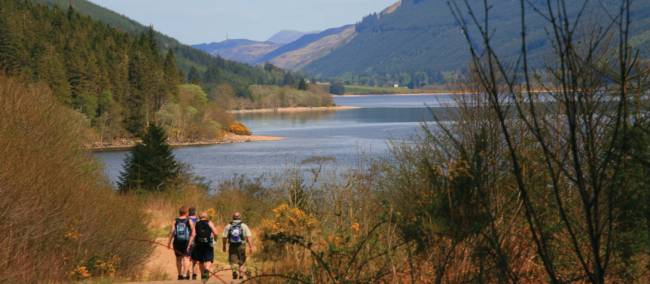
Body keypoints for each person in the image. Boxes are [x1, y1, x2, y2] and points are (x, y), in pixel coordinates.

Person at [222, 212, 254, 280]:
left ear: (233, 217)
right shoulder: (244, 225)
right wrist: (251, 246)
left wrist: (224, 246)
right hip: (241, 245)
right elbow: (249, 237)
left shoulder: (228, 226)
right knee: (241, 260)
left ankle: (234, 272)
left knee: (233, 260)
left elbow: (224, 237)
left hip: (232, 245)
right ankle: (241, 275)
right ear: (240, 217)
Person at [167, 206, 195, 280]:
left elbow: (172, 233)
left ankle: (179, 275)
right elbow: (193, 233)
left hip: (177, 242)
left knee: (178, 258)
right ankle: (185, 274)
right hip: (186, 242)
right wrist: (190, 242)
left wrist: (169, 243)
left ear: (179, 212)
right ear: (186, 213)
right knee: (186, 258)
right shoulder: (189, 220)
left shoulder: (175, 220)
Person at [191, 211, 220, 283]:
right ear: (206, 217)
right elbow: (216, 233)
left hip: (199, 244)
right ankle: (207, 270)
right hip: (208, 244)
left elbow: (193, 234)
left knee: (201, 261)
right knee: (209, 259)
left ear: (199, 217)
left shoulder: (196, 224)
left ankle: (202, 276)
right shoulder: (209, 222)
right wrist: (215, 239)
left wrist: (192, 243)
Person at [188, 207, 199, 280]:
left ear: (189, 212)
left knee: (187, 258)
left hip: (187, 241)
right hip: (196, 241)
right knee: (196, 259)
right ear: (195, 212)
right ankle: (194, 275)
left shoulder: (186, 219)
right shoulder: (198, 220)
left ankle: (187, 273)